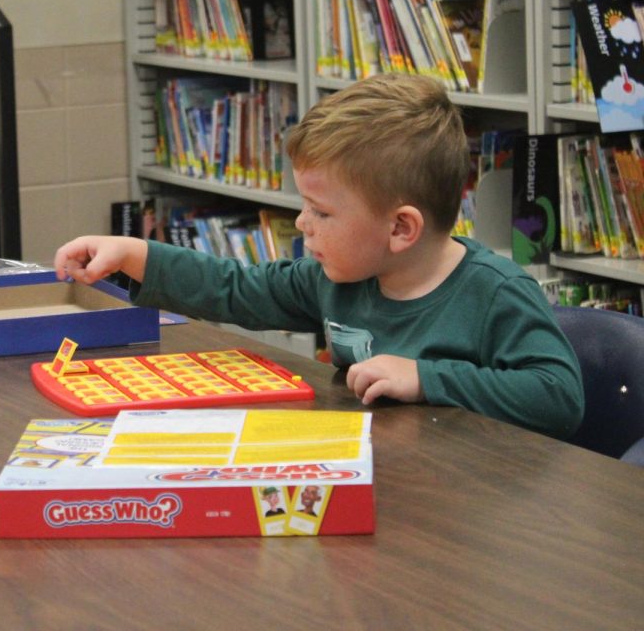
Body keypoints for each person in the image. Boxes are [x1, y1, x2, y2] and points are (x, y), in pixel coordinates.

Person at [54, 74, 584, 439]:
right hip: (385, 480)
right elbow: (237, 287)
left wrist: (427, 378)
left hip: (472, 509)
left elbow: (558, 397)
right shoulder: (337, 277)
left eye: (321, 213)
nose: (303, 224)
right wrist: (135, 253)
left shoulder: (495, 293)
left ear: (400, 228)